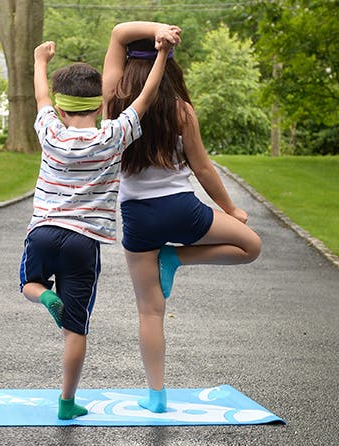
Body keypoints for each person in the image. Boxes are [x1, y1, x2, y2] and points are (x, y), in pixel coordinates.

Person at [101, 21, 262, 413]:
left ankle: (156, 397)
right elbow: (203, 169)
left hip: (137, 217)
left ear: (126, 63)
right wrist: (232, 210)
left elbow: (119, 31)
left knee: (149, 310)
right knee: (250, 246)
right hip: (182, 212)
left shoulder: (112, 101)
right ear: (169, 66)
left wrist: (155, 31)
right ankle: (176, 257)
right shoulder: (179, 110)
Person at [20, 37, 175, 420]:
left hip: (42, 231)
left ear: (60, 106)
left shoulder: (50, 131)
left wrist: (40, 61)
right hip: (84, 242)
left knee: (28, 283)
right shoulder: (114, 135)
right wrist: (160, 57)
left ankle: (42, 295)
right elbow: (147, 96)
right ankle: (67, 403)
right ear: (100, 104)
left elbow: (40, 95)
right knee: (75, 329)